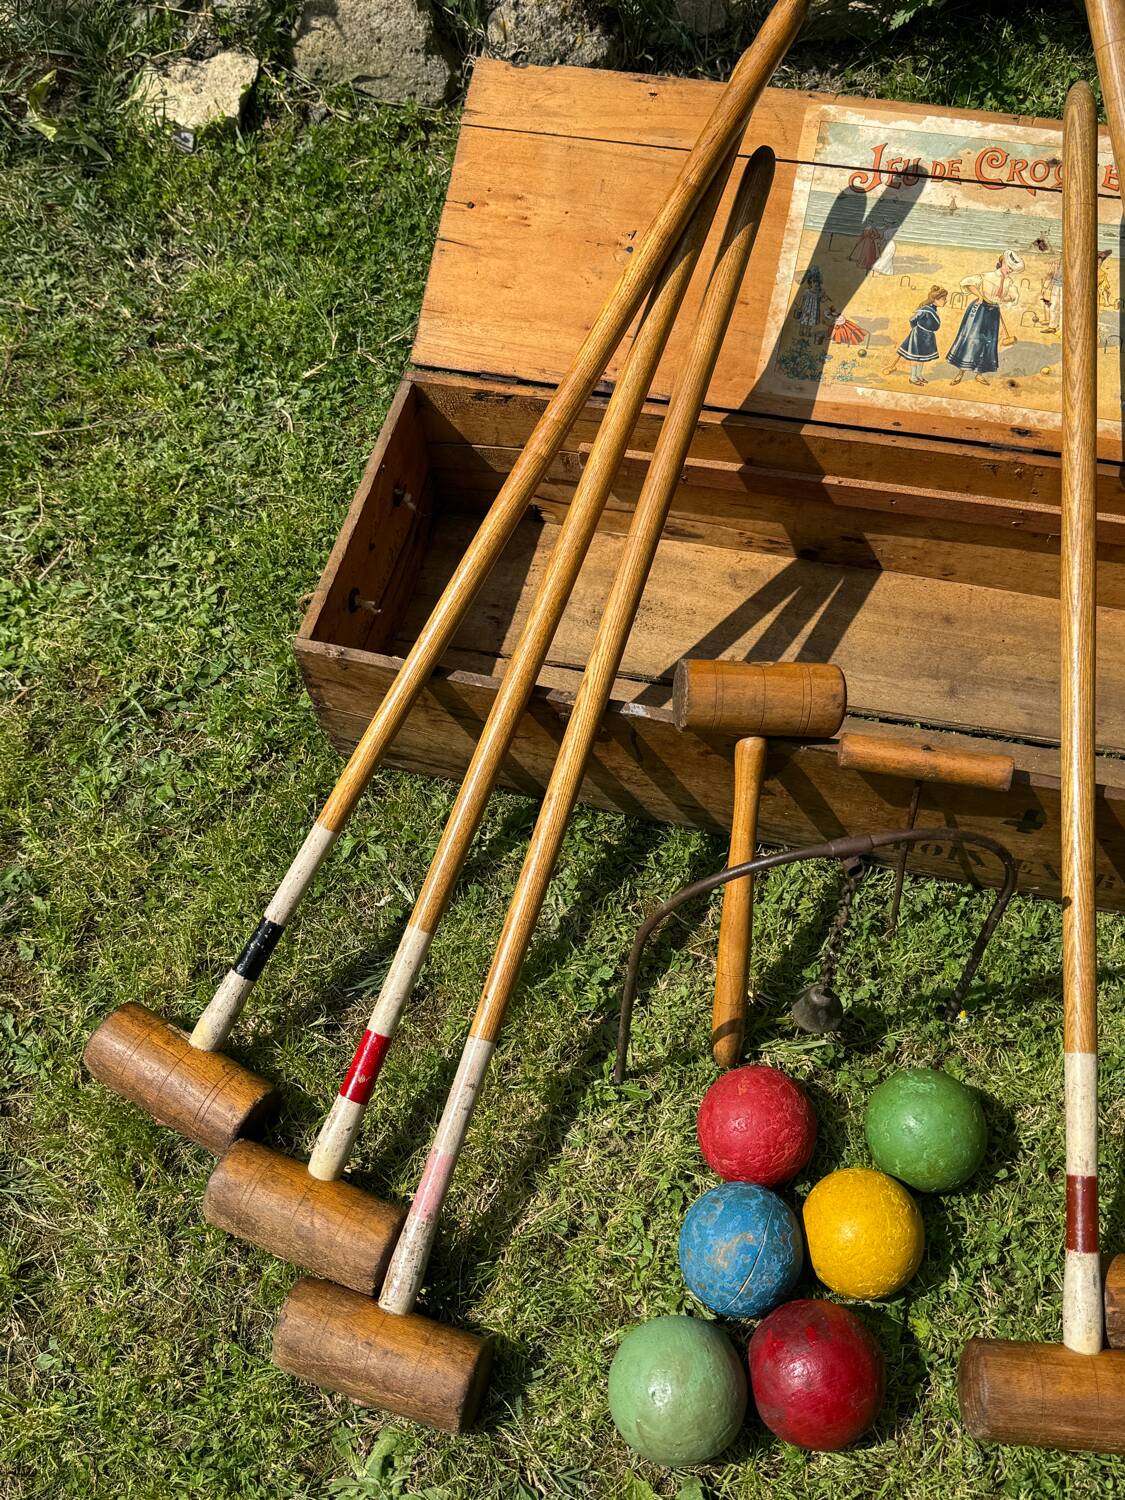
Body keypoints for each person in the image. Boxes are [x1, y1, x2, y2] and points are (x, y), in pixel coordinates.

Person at [947, 250, 1022, 385]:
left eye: (1013, 269)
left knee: (988, 342)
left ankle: (979, 373)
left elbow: (1011, 297)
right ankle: (960, 372)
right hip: (979, 310)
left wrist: (1005, 299)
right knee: (971, 339)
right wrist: (980, 296)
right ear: (1003, 263)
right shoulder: (987, 276)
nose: (1010, 271)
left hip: (993, 312)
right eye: (1009, 267)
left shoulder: (1009, 282)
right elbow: (967, 283)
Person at [885, 285, 948, 384]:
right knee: (915, 357)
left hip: (927, 336)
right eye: (943, 299)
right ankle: (913, 377)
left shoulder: (933, 308)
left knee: (921, 357)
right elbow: (912, 319)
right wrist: (916, 329)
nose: (946, 301)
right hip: (919, 336)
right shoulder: (925, 309)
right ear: (935, 299)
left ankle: (919, 375)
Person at [792, 265, 824, 330]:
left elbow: (821, 300)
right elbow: (802, 299)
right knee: (804, 320)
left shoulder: (818, 293)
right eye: (814, 284)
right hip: (806, 308)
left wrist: (823, 297)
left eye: (818, 285)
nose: (816, 286)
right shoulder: (807, 291)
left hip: (814, 310)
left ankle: (808, 331)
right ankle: (801, 331)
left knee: (811, 321)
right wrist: (800, 306)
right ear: (810, 284)